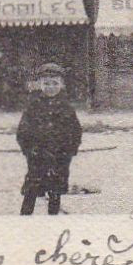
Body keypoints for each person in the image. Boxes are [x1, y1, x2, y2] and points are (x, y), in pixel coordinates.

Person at [16, 63, 82, 215]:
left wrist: (69, 151)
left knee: (55, 192)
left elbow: (75, 132)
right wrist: (30, 150)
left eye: (55, 83)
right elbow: (23, 132)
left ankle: (53, 223)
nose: (50, 87)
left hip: (59, 158)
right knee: (31, 191)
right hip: (37, 157)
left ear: (62, 85)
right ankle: (23, 223)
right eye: (46, 83)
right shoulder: (33, 106)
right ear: (39, 84)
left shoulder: (66, 108)